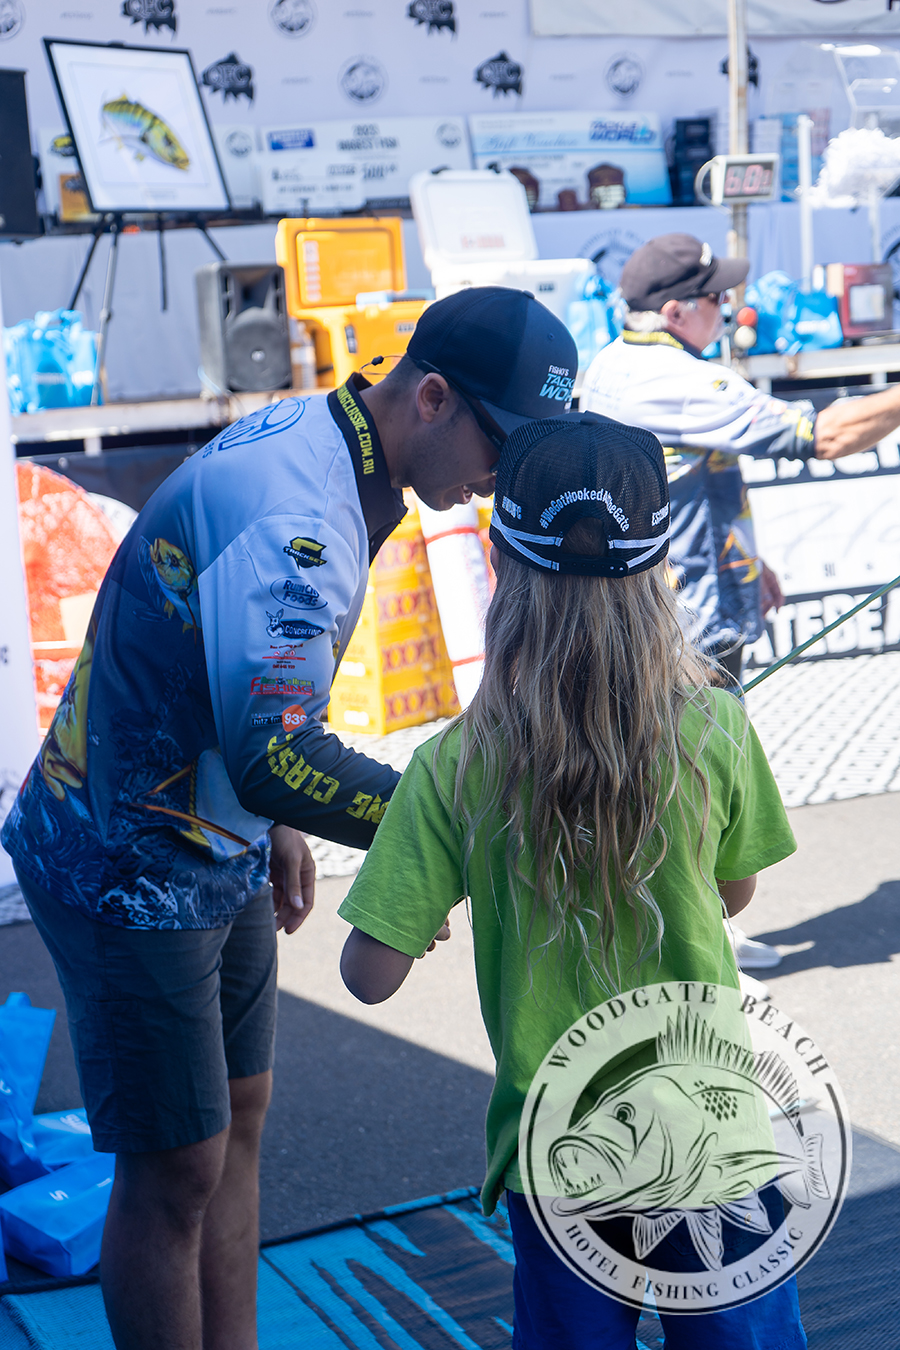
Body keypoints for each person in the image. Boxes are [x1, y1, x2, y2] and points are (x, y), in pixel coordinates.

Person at [0, 287, 578, 1350]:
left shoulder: (338, 444)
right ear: (434, 397)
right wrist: (446, 833)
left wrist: (275, 822)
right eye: (501, 445)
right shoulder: (297, 510)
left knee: (238, 1125)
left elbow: (244, 686)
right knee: (175, 1167)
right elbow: (276, 754)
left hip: (209, 827)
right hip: (124, 856)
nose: (500, 477)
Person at [338, 412, 805, 1350]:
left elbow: (367, 976)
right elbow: (734, 895)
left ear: (499, 567)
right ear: (661, 573)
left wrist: (418, 910)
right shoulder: (715, 726)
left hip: (561, 1157)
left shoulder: (453, 766)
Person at [580, 232, 900, 684]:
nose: (727, 304)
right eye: (715, 296)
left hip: (646, 608)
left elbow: (688, 480)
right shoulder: (684, 381)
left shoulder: (611, 360)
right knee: (714, 730)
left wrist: (749, 561)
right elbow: (823, 436)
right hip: (692, 623)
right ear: (675, 312)